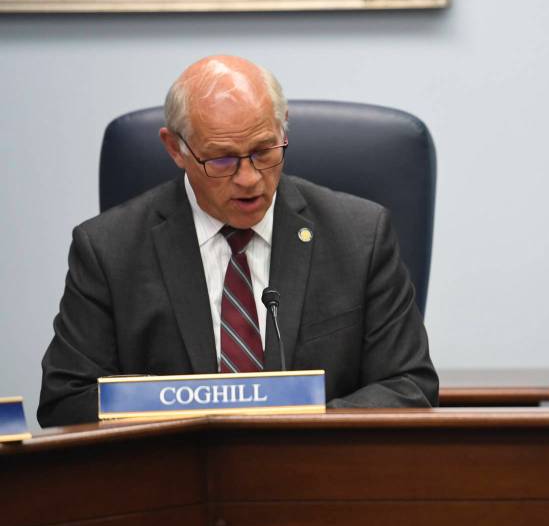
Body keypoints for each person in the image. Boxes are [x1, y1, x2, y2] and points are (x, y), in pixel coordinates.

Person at [38, 55, 438, 426]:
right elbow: (66, 401)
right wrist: (182, 422)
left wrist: (299, 432)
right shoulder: (109, 251)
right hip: (172, 473)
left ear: (283, 127)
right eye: (222, 159)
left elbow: (409, 384)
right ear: (175, 148)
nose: (248, 179)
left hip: (318, 470)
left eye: (264, 151)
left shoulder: (360, 236)